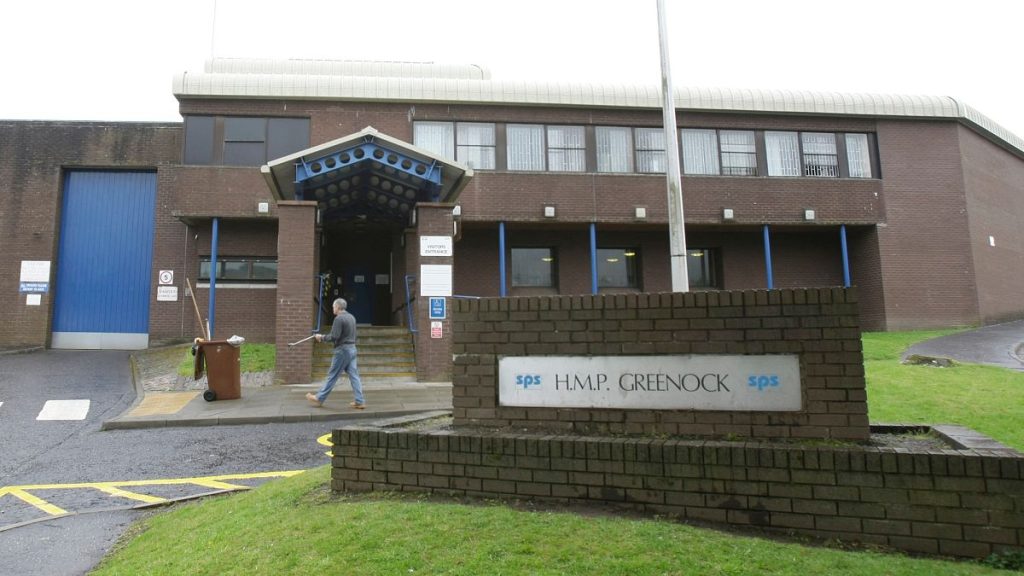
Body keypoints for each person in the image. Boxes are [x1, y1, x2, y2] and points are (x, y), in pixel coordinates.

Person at [306, 298, 365, 409]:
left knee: (332, 375)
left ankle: (319, 397)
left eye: (333, 307)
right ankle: (360, 401)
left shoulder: (339, 319)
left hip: (342, 351)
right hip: (352, 349)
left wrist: (321, 337)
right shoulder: (351, 317)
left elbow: (334, 336)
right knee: (354, 376)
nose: (333, 309)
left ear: (337, 307)